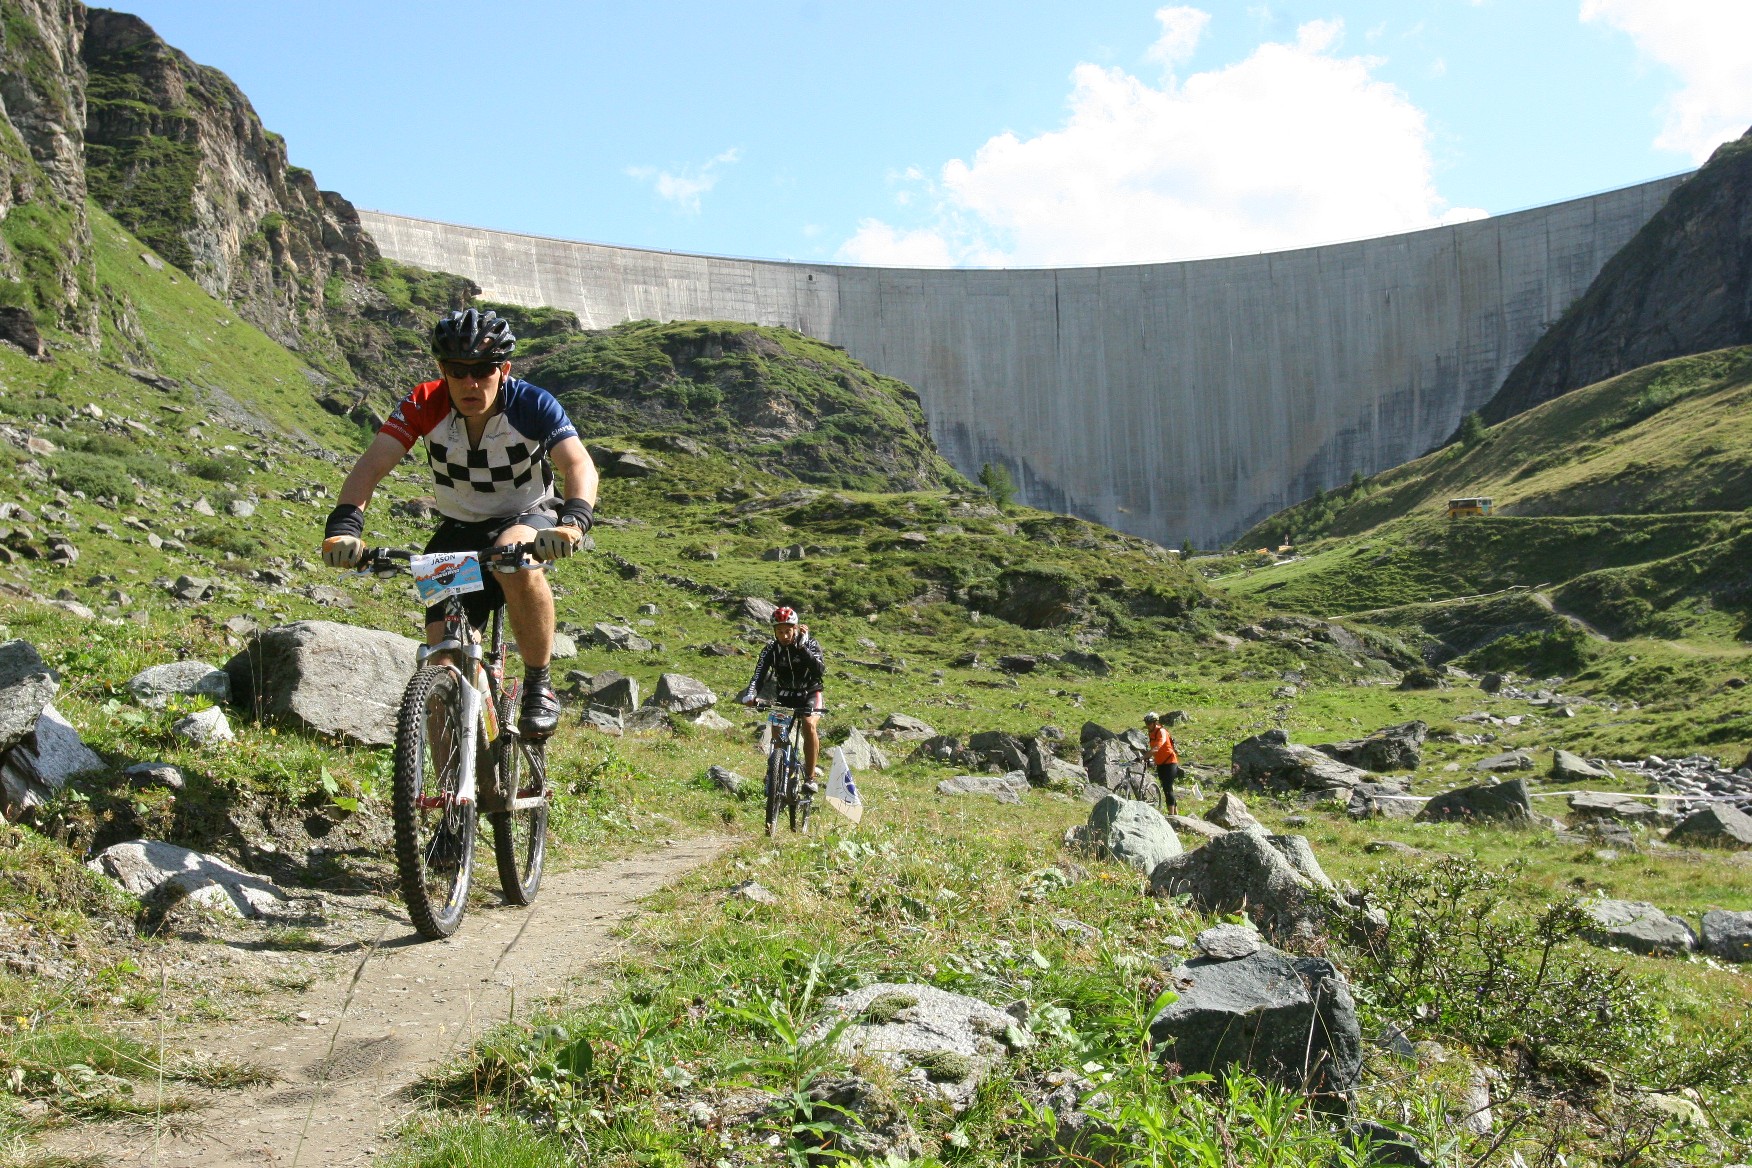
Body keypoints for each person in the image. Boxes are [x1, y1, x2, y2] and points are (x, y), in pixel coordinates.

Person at [319, 308, 598, 739]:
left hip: (527, 512)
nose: (470, 383)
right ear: (442, 370)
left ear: (504, 370)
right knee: (442, 660)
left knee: (513, 560)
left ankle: (538, 685)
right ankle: (452, 776)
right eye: (457, 370)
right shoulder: (423, 403)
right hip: (459, 526)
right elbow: (370, 467)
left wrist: (573, 523)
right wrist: (344, 529)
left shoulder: (531, 403)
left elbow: (578, 463)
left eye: (483, 371)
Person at [738, 607, 826, 787]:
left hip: (810, 693)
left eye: (788, 631)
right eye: (780, 632)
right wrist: (751, 694)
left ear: (796, 629)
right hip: (785, 695)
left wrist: (802, 648)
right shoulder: (770, 649)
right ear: (774, 632)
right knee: (777, 731)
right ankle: (778, 770)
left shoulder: (810, 644)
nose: (784, 636)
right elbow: (759, 675)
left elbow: (819, 670)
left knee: (808, 724)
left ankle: (810, 778)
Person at [1144, 712, 1180, 815]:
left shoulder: (1161, 731)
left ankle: (1171, 815)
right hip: (1160, 763)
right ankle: (1175, 813)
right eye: (1146, 723)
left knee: (1167, 788)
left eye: (1149, 723)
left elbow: (1157, 747)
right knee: (1166, 788)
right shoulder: (1151, 733)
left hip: (1170, 762)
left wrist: (1144, 756)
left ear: (1155, 723)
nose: (1147, 725)